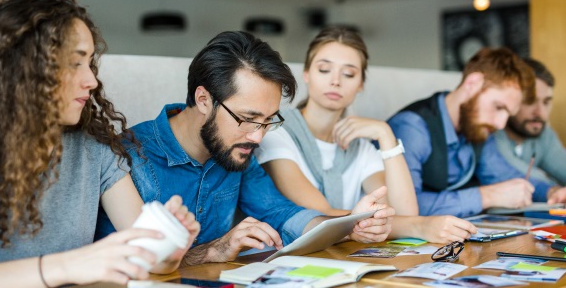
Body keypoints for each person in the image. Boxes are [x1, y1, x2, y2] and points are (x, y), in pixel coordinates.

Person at [96, 30, 396, 266]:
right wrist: (212, 251)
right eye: (247, 118)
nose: (257, 136)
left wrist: (349, 226)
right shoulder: (130, 158)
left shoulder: (237, 152)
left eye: (268, 121)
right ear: (203, 100)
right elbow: (123, 264)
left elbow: (282, 213)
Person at [0, 0, 199, 287]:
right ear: (25, 68)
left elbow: (152, 262)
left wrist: (169, 242)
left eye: (90, 63)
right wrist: (66, 267)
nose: (92, 80)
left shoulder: (93, 148)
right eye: (75, 63)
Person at [254, 26, 476, 244]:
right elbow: (322, 215)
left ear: (360, 84)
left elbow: (405, 212)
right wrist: (421, 226)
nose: (336, 81)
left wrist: (385, 135)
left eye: (349, 73)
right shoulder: (275, 130)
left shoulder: (361, 148)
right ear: (306, 74)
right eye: (324, 69)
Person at [387, 48, 563, 217]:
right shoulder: (412, 127)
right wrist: (487, 196)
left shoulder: (476, 126)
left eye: (508, 114)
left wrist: (553, 192)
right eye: (498, 107)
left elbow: (503, 175)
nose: (500, 124)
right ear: (472, 83)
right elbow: (404, 208)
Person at [493, 58, 566, 208]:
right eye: (530, 101)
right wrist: (557, 190)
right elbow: (513, 173)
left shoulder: (544, 135)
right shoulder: (492, 131)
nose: (540, 113)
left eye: (546, 102)